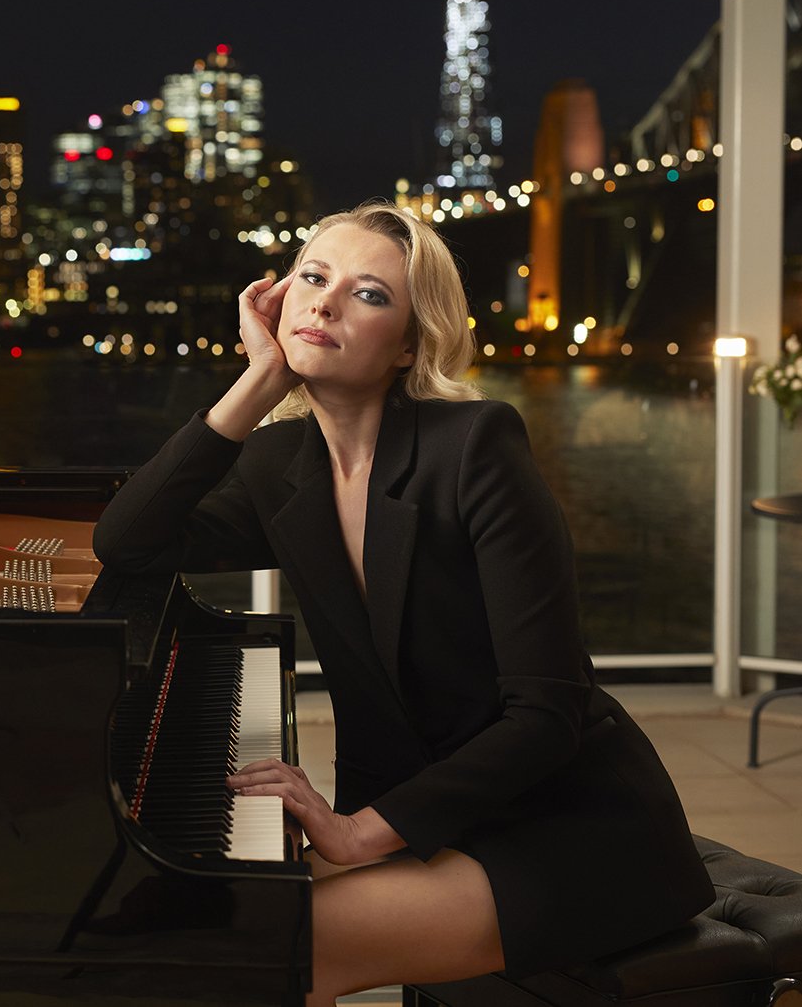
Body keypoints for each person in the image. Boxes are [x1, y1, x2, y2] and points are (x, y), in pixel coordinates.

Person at [91, 202, 713, 1005]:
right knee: (169, 921)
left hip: (562, 825)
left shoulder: (474, 448)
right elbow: (127, 541)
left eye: (368, 294)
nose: (324, 303)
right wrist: (258, 381)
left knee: (257, 948)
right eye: (312, 277)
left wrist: (358, 831)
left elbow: (545, 715)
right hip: (423, 814)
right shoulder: (279, 463)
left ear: (411, 344)